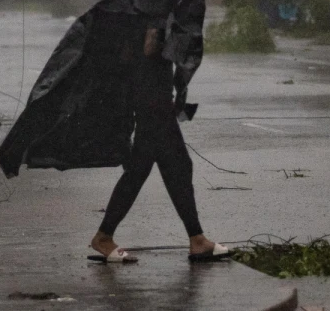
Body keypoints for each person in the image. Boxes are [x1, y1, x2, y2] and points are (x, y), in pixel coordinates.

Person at [88, 26, 230, 264]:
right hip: (153, 105)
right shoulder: (151, 12)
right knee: (177, 167)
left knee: (145, 171)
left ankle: (105, 236)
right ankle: (196, 239)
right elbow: (147, 49)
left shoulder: (152, 7)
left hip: (153, 101)